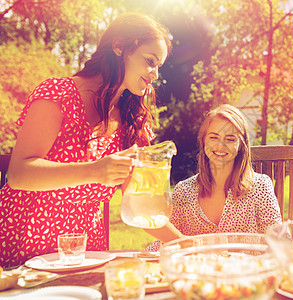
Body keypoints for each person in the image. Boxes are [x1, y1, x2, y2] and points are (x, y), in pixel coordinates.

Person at [0, 12, 172, 268]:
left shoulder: (132, 121)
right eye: (150, 61)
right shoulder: (58, 93)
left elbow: (140, 206)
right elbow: (19, 174)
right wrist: (95, 171)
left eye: (159, 65)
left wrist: (186, 245)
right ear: (118, 46)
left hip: (85, 255)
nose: (155, 74)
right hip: (23, 245)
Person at [144, 104, 282, 249]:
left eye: (230, 139)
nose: (220, 146)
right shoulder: (183, 191)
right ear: (203, 141)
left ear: (241, 144)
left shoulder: (260, 186)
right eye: (213, 137)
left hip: (247, 269)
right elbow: (167, 243)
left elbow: (280, 241)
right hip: (199, 270)